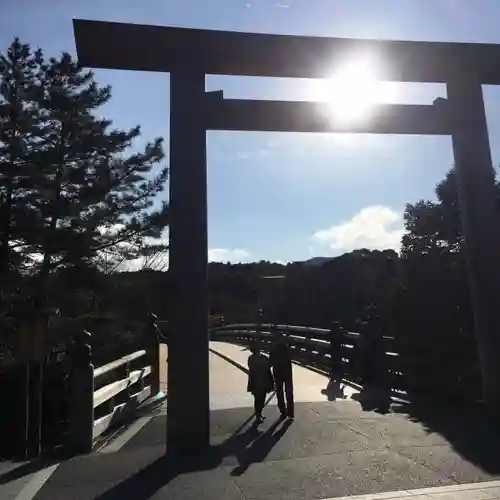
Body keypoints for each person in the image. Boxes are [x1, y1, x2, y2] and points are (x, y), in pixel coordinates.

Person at [269, 332, 295, 419]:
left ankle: (283, 412)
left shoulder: (273, 348)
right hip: (287, 372)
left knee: (280, 393)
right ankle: (290, 412)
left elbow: (270, 362)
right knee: (289, 392)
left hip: (278, 373)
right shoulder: (286, 347)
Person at [247, 342, 274, 423]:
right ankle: (258, 416)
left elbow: (269, 365)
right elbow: (269, 365)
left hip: (259, 382)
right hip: (258, 382)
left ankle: (259, 414)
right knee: (259, 400)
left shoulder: (253, 358)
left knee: (260, 400)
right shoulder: (258, 358)